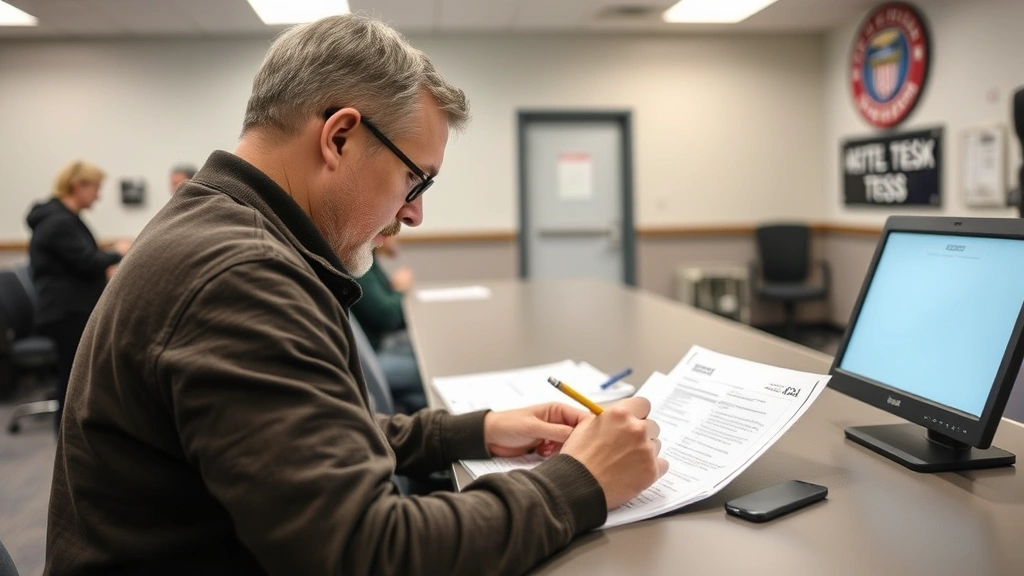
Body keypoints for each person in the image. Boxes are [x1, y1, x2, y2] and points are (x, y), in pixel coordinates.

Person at [45, 15, 667, 576]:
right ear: (340, 137)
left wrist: (476, 431)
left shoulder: (218, 226)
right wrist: (581, 481)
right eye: (414, 179)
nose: (414, 213)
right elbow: (367, 552)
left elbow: (302, 440)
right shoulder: (243, 275)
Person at [26, 160, 129, 432]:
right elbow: (86, 262)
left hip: (68, 308)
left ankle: (71, 432)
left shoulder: (63, 219)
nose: (98, 195)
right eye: (95, 188)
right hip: (66, 312)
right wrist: (118, 252)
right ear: (78, 186)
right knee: (74, 378)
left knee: (75, 376)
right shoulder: (58, 222)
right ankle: (67, 434)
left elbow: (80, 260)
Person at [351, 235, 425, 411]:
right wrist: (400, 289)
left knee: (418, 393)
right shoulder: (360, 267)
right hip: (373, 357)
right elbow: (388, 316)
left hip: (378, 347)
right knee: (429, 368)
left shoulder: (369, 261)